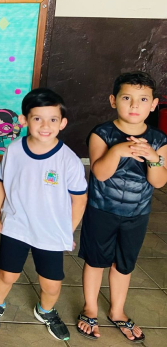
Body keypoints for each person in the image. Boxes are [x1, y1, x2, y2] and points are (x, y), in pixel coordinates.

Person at [0, 88, 88, 341]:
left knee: (51, 284)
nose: (45, 125)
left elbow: (80, 200)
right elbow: (3, 183)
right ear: (24, 120)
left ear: (62, 123)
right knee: (7, 274)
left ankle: (45, 310)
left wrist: (67, 232)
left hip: (51, 232)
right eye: (37, 118)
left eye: (53, 119)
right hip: (16, 225)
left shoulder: (68, 160)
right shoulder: (14, 150)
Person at [76, 72, 167, 342]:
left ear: (154, 104)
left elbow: (159, 181)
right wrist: (117, 151)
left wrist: (153, 157)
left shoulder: (159, 140)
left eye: (143, 99)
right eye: (127, 98)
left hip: (136, 215)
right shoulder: (102, 134)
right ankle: (90, 307)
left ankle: (117, 310)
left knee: (123, 264)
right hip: (101, 211)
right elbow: (100, 174)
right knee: (95, 261)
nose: (135, 105)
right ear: (113, 101)